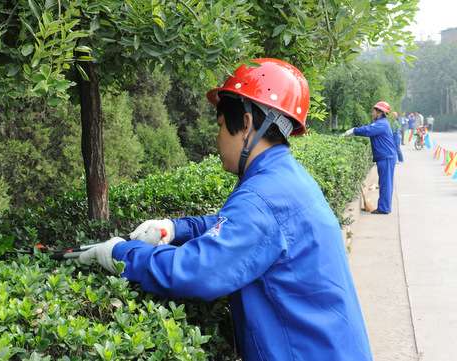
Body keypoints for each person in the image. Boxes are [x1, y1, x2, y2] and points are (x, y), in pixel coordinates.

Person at [79, 58, 373, 361]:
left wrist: (118, 253)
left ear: (245, 124)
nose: (217, 138)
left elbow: (197, 272)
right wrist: (175, 227)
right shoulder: (285, 179)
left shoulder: (263, 197)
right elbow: (238, 227)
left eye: (220, 125)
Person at [343, 101, 397, 214]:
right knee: (384, 183)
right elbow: (369, 129)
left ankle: (384, 208)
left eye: (374, 110)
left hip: (386, 157)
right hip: (386, 157)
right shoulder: (381, 123)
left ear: (380, 112)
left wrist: (354, 130)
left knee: (385, 184)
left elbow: (368, 130)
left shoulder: (381, 124)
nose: (372, 113)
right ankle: (384, 207)